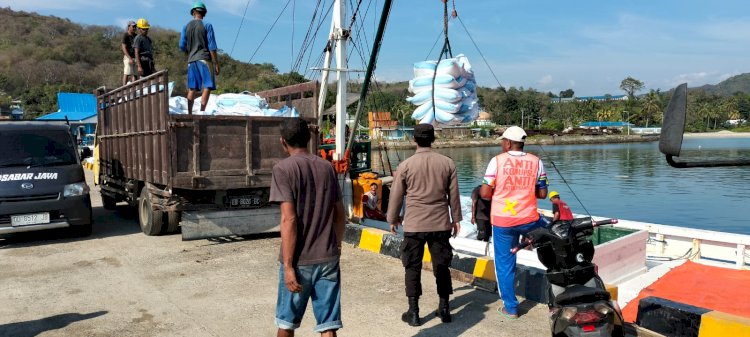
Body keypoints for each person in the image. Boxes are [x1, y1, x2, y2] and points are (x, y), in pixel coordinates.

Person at [270, 118, 346, 337]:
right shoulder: (327, 167)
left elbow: (289, 220)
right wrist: (337, 244)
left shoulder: (283, 169)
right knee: (328, 325)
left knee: (286, 322)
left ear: (282, 141)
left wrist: (287, 265)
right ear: (310, 138)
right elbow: (340, 214)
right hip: (328, 257)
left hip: (300, 260)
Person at [387, 123, 462, 327]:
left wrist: (392, 219)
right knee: (442, 266)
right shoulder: (447, 163)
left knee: (412, 267)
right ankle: (444, 308)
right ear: (433, 139)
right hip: (440, 223)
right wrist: (456, 219)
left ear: (414, 140)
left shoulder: (406, 165)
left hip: (414, 225)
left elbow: (396, 196)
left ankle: (414, 312)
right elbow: (453, 195)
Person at [479, 126, 548, 319]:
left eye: (503, 141)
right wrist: (523, 190)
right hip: (529, 220)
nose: (502, 144)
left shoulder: (497, 161)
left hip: (503, 221)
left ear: (508, 143)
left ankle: (511, 308)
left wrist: (503, 191)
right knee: (550, 241)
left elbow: (485, 193)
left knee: (504, 263)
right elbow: (542, 194)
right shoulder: (536, 161)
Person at [179, 2, 220, 114]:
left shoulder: (185, 26)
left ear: (193, 12)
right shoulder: (207, 25)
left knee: (192, 88)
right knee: (207, 85)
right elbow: (212, 46)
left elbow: (182, 46)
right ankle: (202, 112)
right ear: (204, 13)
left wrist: (190, 52)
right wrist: (216, 63)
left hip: (191, 60)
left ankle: (190, 113)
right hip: (204, 59)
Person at [121, 21, 138, 85]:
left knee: (135, 74)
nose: (134, 28)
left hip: (135, 57)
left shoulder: (136, 36)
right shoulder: (126, 35)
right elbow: (123, 47)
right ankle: (124, 88)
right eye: (133, 26)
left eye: (135, 26)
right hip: (128, 57)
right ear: (129, 27)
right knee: (127, 72)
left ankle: (134, 88)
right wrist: (129, 58)